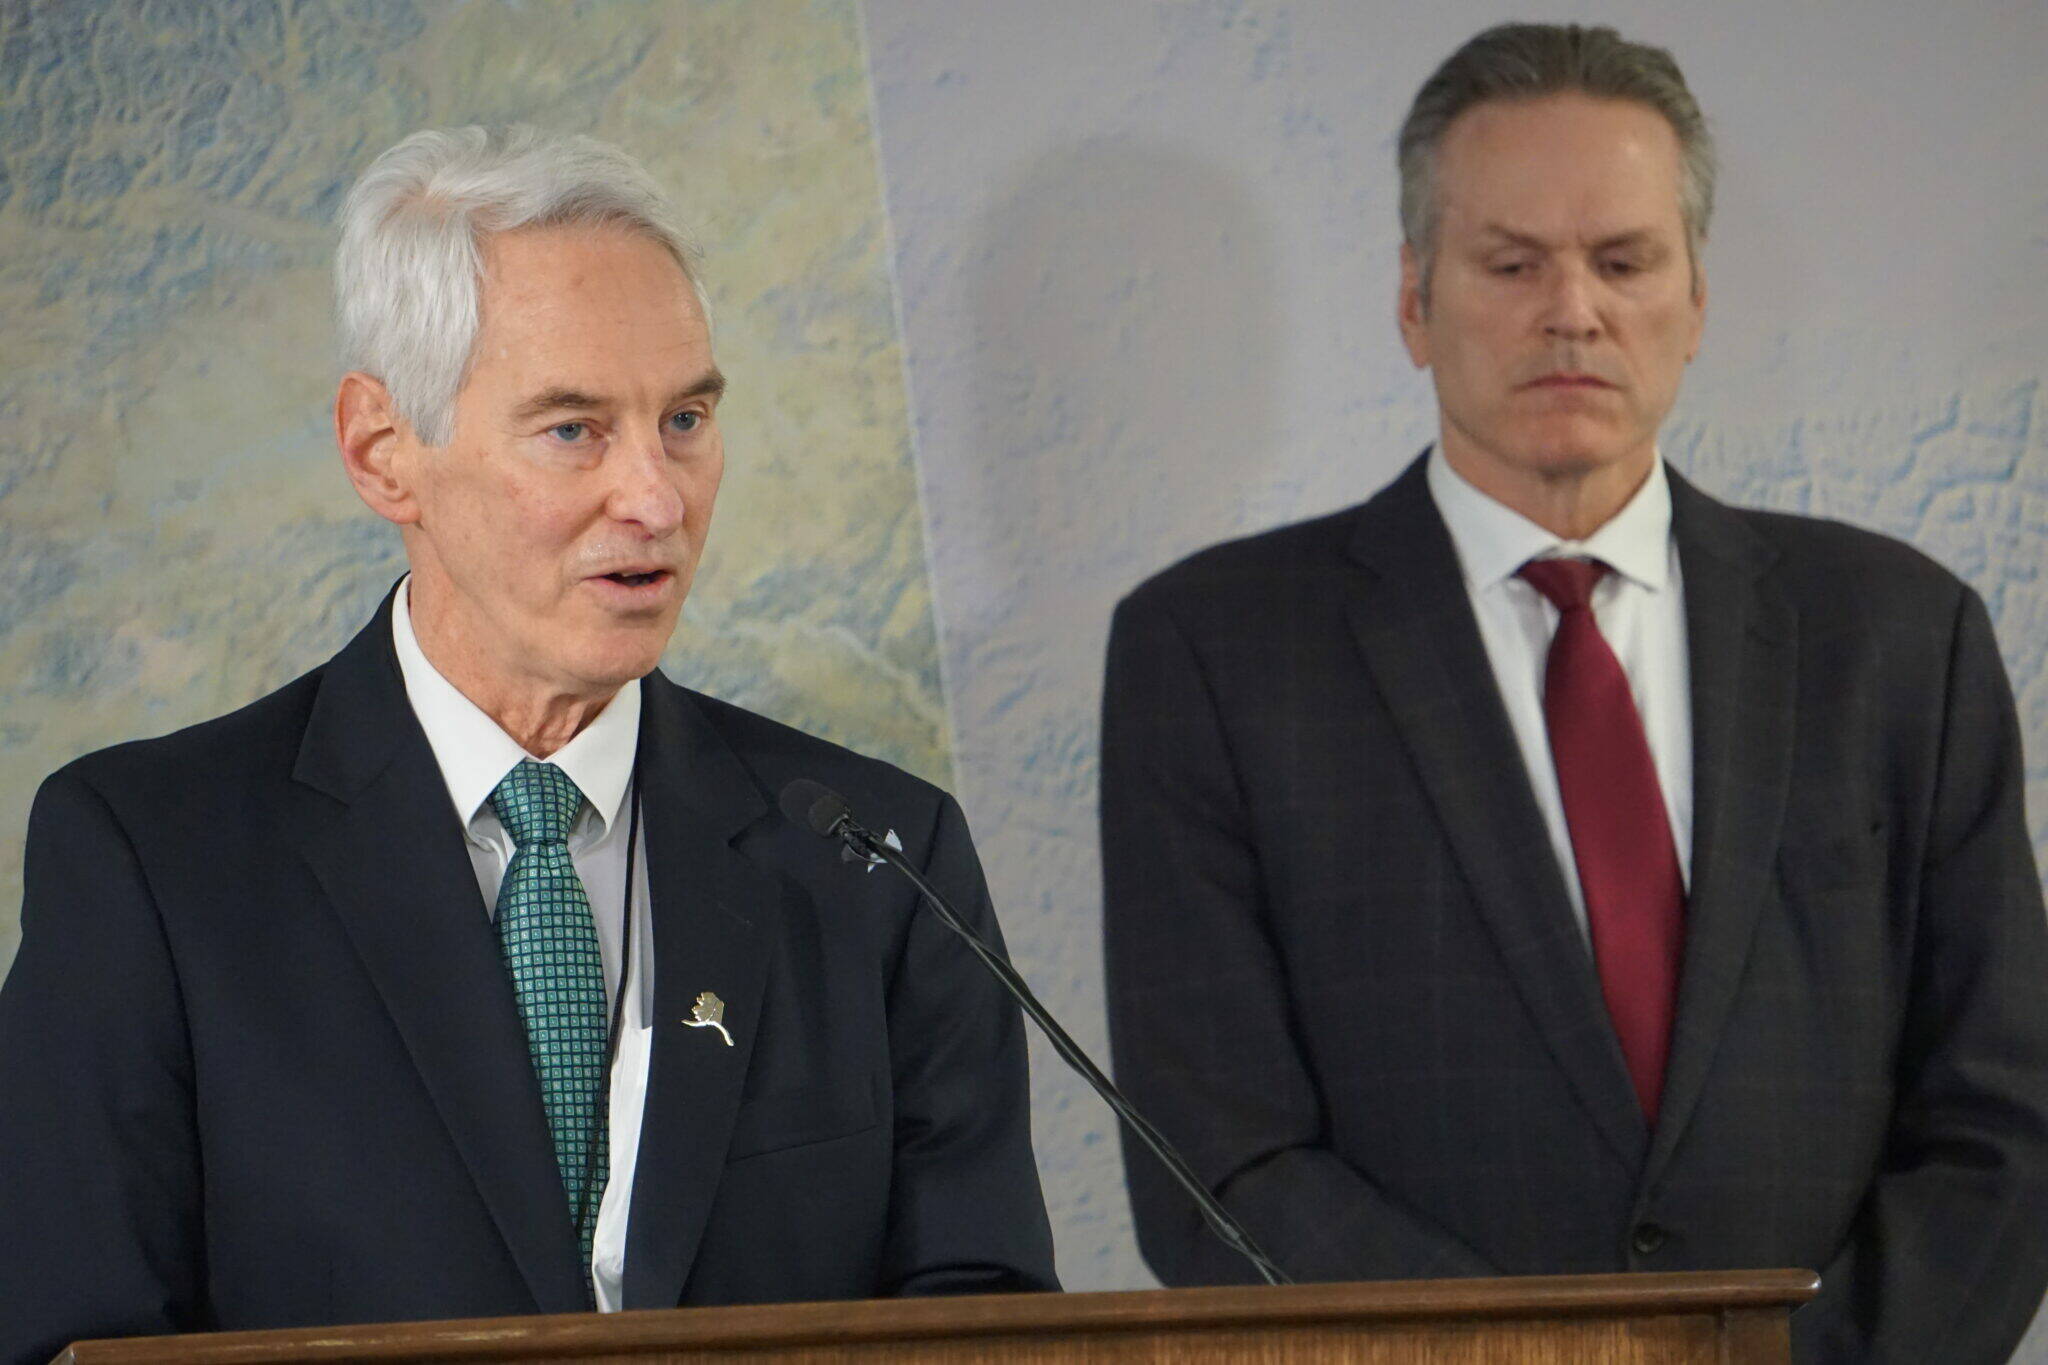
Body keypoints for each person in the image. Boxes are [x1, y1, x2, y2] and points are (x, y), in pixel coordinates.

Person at [0, 125, 1055, 1363]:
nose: (656, 498)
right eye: (573, 430)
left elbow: (982, 1320)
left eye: (685, 418)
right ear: (382, 452)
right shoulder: (153, 860)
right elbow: (69, 1339)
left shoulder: (878, 858)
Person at [1100, 22, 2048, 1363]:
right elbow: (1219, 1163)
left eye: (1623, 261)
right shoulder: (1211, 656)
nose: (1574, 311)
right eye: (1511, 263)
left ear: (1697, 299)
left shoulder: (1901, 637)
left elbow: (2006, 1121)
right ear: (1415, 301)